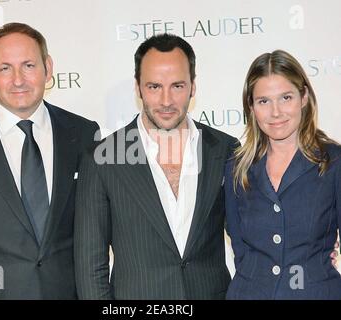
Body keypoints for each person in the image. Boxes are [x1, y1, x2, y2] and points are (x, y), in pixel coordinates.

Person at [74, 33, 238, 299]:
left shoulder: (225, 150)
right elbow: (90, 265)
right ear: (138, 88)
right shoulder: (102, 158)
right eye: (154, 87)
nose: (166, 100)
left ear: (193, 87)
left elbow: (250, 237)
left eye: (177, 86)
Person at [0, 22, 99, 299]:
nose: (18, 80)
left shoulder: (83, 134)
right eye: (5, 68)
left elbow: (96, 231)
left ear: (48, 67)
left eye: (29, 66)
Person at [224, 49, 341, 299]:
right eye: (263, 101)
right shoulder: (237, 167)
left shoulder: (334, 162)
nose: (275, 112)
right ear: (251, 107)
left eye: (286, 97)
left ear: (304, 97)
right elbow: (240, 250)